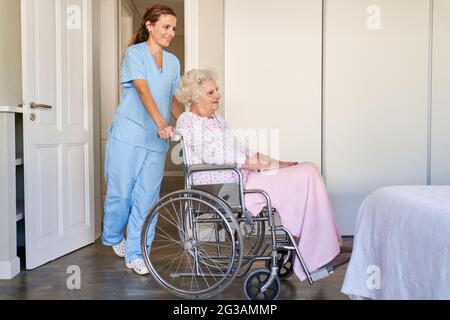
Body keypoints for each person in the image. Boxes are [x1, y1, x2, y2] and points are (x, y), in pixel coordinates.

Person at [175, 69, 342, 281]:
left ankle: (323, 245)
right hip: (227, 183)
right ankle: (317, 251)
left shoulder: (216, 119)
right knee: (307, 172)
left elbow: (242, 151)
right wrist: (270, 166)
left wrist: (281, 164)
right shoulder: (189, 121)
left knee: (307, 169)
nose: (218, 95)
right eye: (211, 93)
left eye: (217, 90)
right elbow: (226, 158)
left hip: (242, 175)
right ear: (194, 97)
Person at [102, 5, 184, 275]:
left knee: (147, 198)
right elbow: (142, 89)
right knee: (121, 194)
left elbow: (171, 97)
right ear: (150, 25)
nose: (171, 32)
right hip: (129, 134)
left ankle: (138, 253)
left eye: (173, 28)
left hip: (156, 142)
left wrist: (187, 123)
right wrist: (161, 122)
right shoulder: (134, 54)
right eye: (166, 27)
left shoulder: (173, 62)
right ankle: (114, 236)